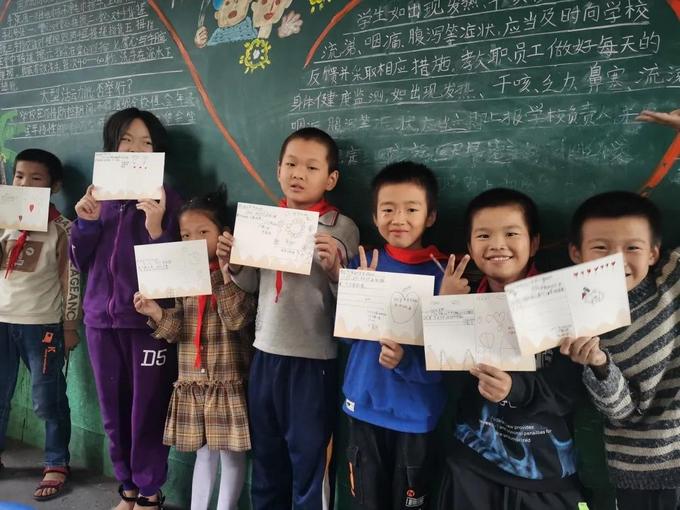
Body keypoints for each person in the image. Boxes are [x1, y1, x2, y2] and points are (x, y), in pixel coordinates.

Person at [222, 127, 360, 509]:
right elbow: (253, 284)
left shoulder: (341, 227)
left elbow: (350, 299)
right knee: (267, 459)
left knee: (309, 461)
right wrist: (233, 264)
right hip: (265, 353)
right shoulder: (265, 222)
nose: (299, 174)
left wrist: (335, 271)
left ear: (331, 178)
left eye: (312, 167)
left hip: (312, 362)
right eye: (291, 165)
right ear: (278, 170)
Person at [438, 188, 588, 510]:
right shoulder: (464, 303)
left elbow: (569, 390)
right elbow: (447, 383)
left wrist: (514, 389)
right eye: (483, 235)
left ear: (533, 243)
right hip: (472, 466)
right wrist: (447, 311)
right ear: (469, 247)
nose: (497, 244)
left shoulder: (560, 305)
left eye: (511, 233)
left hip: (544, 474)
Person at [70, 108, 182, 509]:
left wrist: (156, 227)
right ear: (111, 147)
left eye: (146, 143)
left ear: (158, 153)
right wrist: (86, 223)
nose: (136, 149)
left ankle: (150, 492)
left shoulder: (167, 197)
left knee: (147, 410)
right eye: (126, 141)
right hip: (100, 321)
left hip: (147, 323)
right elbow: (79, 260)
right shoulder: (97, 196)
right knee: (113, 410)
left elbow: (175, 268)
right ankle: (128, 490)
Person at [134, 186, 256, 510]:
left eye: (203, 232)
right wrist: (155, 312)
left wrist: (227, 274)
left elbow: (236, 319)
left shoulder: (238, 274)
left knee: (231, 454)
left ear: (223, 234)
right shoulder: (185, 277)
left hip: (227, 381)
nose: (194, 241)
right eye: (186, 235)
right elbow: (179, 330)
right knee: (204, 453)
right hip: (194, 381)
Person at [342, 161, 448, 510]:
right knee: (366, 502)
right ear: (374, 217)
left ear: (430, 216)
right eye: (388, 209)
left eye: (411, 209)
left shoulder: (445, 276)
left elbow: (449, 360)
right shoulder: (363, 264)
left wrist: (405, 361)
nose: (398, 219)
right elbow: (346, 339)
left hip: (415, 416)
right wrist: (358, 296)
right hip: (364, 408)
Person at [0, 148, 81, 501]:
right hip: (2, 320)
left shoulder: (63, 229)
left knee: (47, 398)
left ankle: (56, 462)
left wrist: (69, 325)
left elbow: (71, 280)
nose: (25, 184)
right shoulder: (5, 220)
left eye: (36, 178)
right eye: (19, 176)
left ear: (54, 186)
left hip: (42, 324)